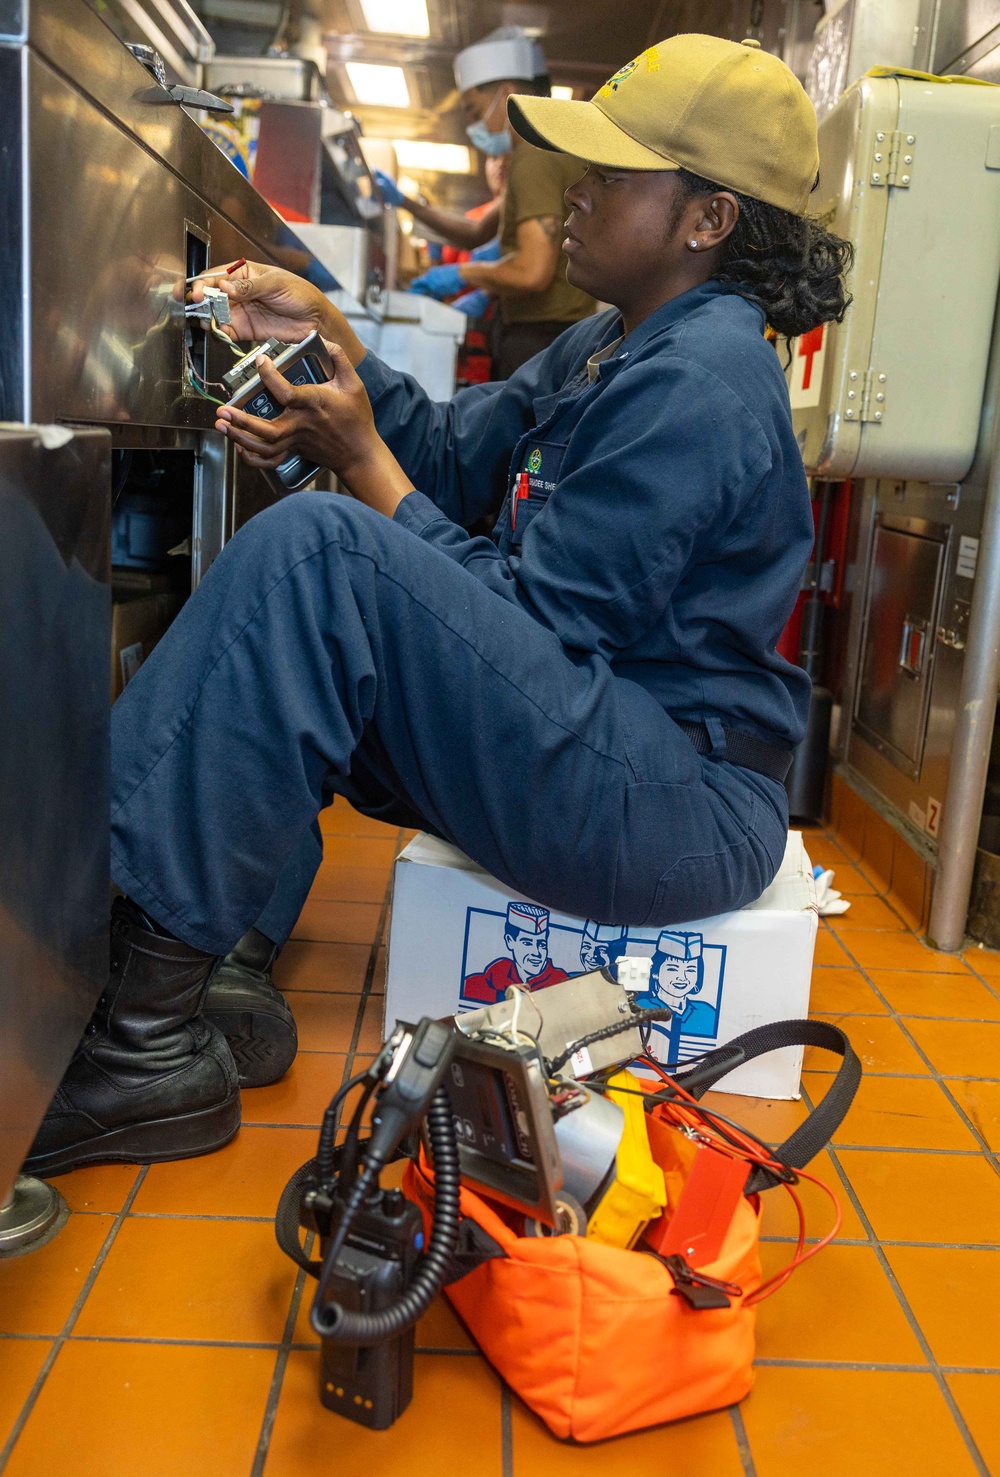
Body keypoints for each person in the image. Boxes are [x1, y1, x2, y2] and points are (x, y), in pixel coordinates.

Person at [25, 33, 853, 1177]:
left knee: (324, 556)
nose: (574, 196)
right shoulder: (613, 344)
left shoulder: (705, 381)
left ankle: (133, 1046)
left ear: (706, 220)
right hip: (603, 743)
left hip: (673, 802)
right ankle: (206, 970)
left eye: (610, 178)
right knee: (321, 604)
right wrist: (324, 345)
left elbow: (536, 622)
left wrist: (360, 468)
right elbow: (452, 457)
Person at [383, 27, 597, 377]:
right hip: (554, 334)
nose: (473, 126)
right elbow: (475, 232)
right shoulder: (545, 152)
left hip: (541, 337)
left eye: (474, 110)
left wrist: (462, 273)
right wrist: (406, 202)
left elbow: (532, 272)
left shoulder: (535, 156)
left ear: (507, 93)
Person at [461, 902, 570, 1005]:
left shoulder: (561, 984)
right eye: (527, 943)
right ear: (510, 941)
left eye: (541, 944)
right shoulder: (488, 981)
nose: (536, 953)